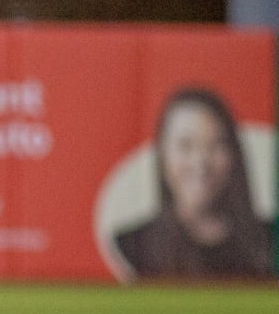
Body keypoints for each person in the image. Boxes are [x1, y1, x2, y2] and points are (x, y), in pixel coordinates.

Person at [115, 88, 274, 279]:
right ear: (163, 155)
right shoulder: (133, 245)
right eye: (185, 145)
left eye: (216, 145)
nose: (201, 163)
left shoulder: (269, 241)